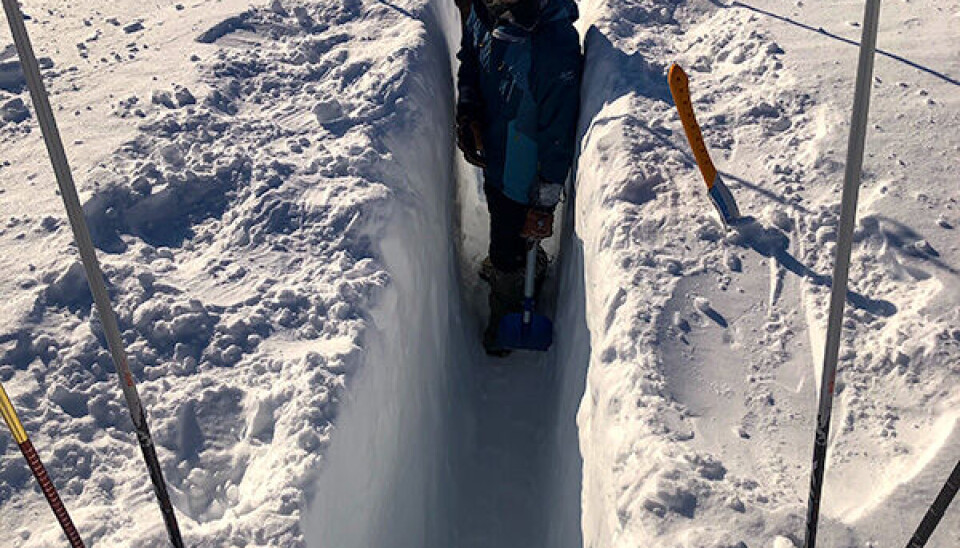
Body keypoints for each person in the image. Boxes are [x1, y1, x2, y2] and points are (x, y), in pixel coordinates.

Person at [455, 0, 582, 355]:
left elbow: (558, 134)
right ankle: (513, 262)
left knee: (510, 241)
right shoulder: (484, 13)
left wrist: (544, 201)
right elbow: (469, 58)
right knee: (500, 217)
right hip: (497, 154)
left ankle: (507, 309)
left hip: (526, 174)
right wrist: (468, 110)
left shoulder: (553, 48)